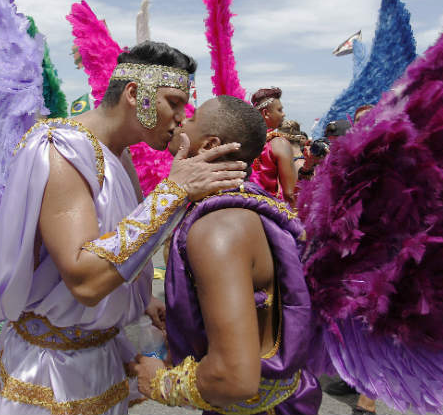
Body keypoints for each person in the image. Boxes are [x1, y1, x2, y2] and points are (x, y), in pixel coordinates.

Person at [0, 41, 246, 414]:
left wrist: (140, 297)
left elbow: (112, 245)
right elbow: (85, 281)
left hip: (101, 353)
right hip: (53, 373)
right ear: (136, 94)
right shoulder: (63, 150)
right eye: (174, 102)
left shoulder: (117, 154)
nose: (181, 119)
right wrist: (173, 192)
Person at [130, 95, 321, 414]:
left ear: (208, 145)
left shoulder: (218, 229)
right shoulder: (247, 203)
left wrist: (160, 381)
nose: (180, 121)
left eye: (191, 117)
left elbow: (234, 379)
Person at [249, 88, 298, 207]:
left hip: (242, 205)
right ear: (266, 113)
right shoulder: (279, 143)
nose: (283, 114)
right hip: (269, 212)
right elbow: (289, 194)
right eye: (280, 110)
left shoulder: (242, 140)